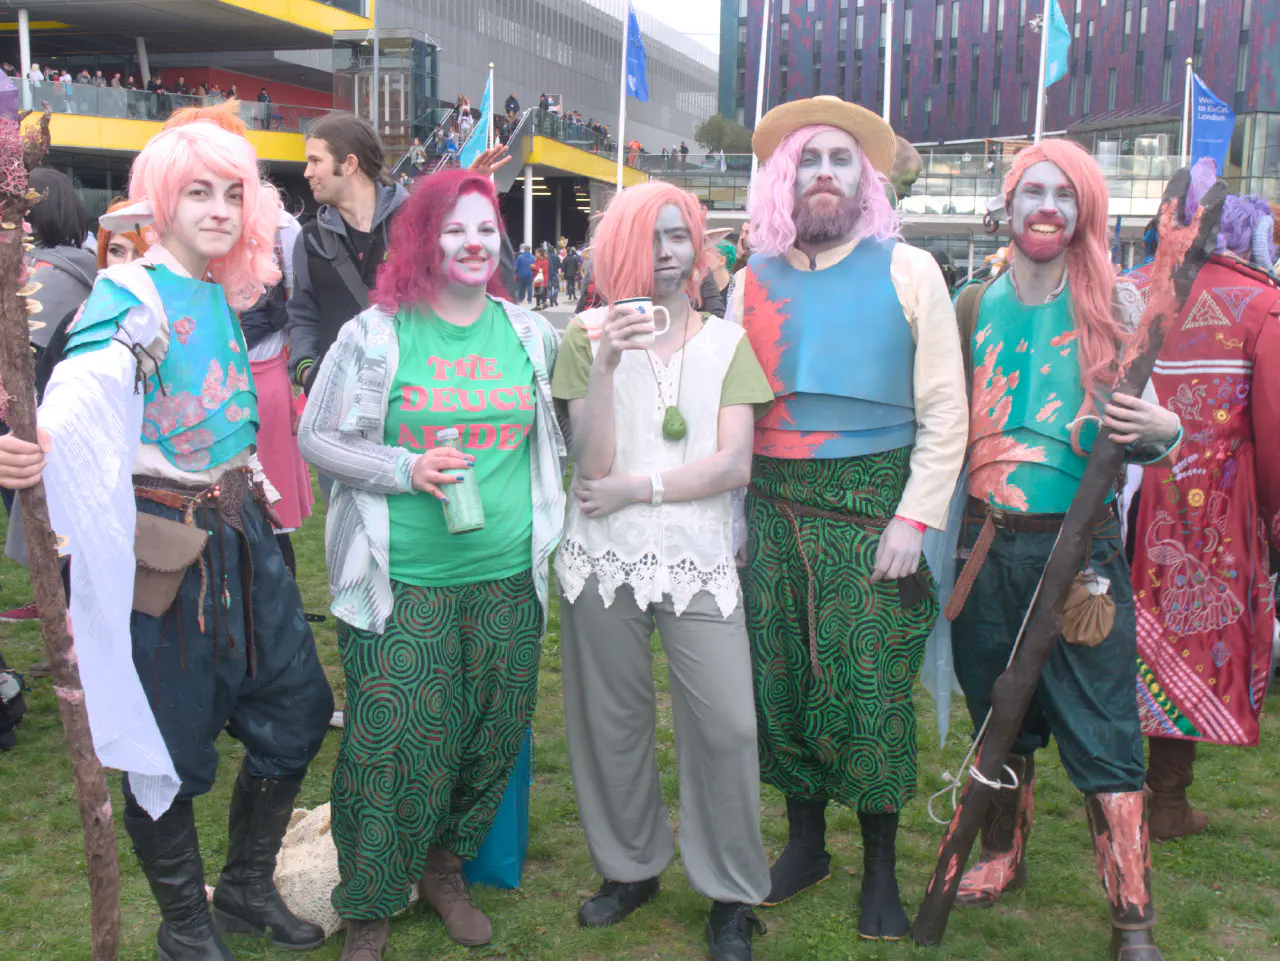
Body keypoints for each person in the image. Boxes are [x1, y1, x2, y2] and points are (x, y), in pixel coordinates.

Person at [0, 121, 333, 961]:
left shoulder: (216, 287)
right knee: (167, 744)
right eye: (199, 192)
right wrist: (35, 441)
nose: (220, 210)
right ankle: (186, 923)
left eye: (234, 193)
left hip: (245, 539)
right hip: (169, 557)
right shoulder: (130, 294)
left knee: (294, 711)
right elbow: (81, 389)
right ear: (162, 201)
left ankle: (249, 886)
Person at [298, 168, 566, 961]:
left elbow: (559, 434)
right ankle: (372, 900)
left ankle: (445, 867)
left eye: (485, 229)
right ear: (423, 238)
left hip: (507, 574)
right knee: (392, 740)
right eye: (455, 229)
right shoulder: (375, 334)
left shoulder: (529, 333)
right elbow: (319, 437)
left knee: (488, 735)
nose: (474, 243)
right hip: (402, 573)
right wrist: (403, 467)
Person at [728, 96, 968, 940]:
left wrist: (915, 519)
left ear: (862, 178)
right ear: (783, 182)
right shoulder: (745, 281)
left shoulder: (911, 271)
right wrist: (732, 514)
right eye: (808, 161)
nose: (823, 173)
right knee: (782, 682)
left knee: (869, 694)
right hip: (771, 513)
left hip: (874, 519)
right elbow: (730, 414)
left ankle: (877, 868)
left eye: (838, 159)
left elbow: (946, 412)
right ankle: (804, 845)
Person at [944, 139, 1181, 961]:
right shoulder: (972, 303)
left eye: (1064, 193)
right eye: (1031, 190)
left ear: (1084, 210)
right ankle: (1003, 854)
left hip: (1082, 563)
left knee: (1106, 729)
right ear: (1007, 206)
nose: (1046, 205)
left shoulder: (1115, 305)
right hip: (984, 550)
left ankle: (1132, 915)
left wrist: (1165, 430)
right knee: (995, 714)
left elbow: (1152, 426)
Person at [552, 181, 775, 961]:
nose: (667, 254)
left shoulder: (727, 341)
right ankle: (630, 866)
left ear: (698, 246)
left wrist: (635, 490)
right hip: (600, 555)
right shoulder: (583, 338)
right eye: (651, 239)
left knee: (728, 724)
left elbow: (734, 465)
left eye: (679, 237)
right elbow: (592, 466)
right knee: (610, 720)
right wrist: (608, 364)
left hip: (699, 553)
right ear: (621, 248)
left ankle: (730, 891)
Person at [1124, 172, 1280, 842]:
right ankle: (1164, 802)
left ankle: (1100, 796)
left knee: (1094, 633)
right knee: (1183, 643)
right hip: (1206, 505)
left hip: (1110, 499)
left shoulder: (1122, 290)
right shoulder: (1261, 304)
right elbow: (1274, 429)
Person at [287, 112, 409, 395]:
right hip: (336, 396)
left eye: (316, 161)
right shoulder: (310, 239)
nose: (306, 172)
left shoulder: (415, 225)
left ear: (350, 164)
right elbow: (302, 314)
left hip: (408, 395)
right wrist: (307, 371)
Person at [546, 243, 562, 307]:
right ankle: (554, 296)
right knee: (557, 287)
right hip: (555, 274)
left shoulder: (546, 257)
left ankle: (551, 301)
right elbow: (559, 266)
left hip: (548, 274)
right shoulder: (556, 257)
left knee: (549, 288)